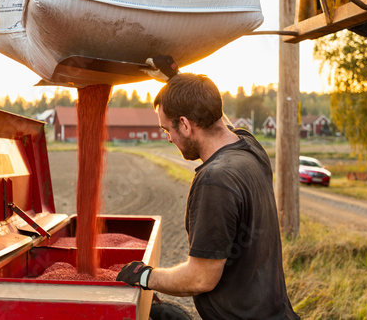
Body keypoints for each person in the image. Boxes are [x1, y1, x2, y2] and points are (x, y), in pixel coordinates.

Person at [117, 73, 299, 320]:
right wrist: (176, 80)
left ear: (185, 124)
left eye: (167, 129)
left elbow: (200, 278)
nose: (168, 137)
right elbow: (212, 113)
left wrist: (145, 275)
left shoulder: (216, 180)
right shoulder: (249, 146)